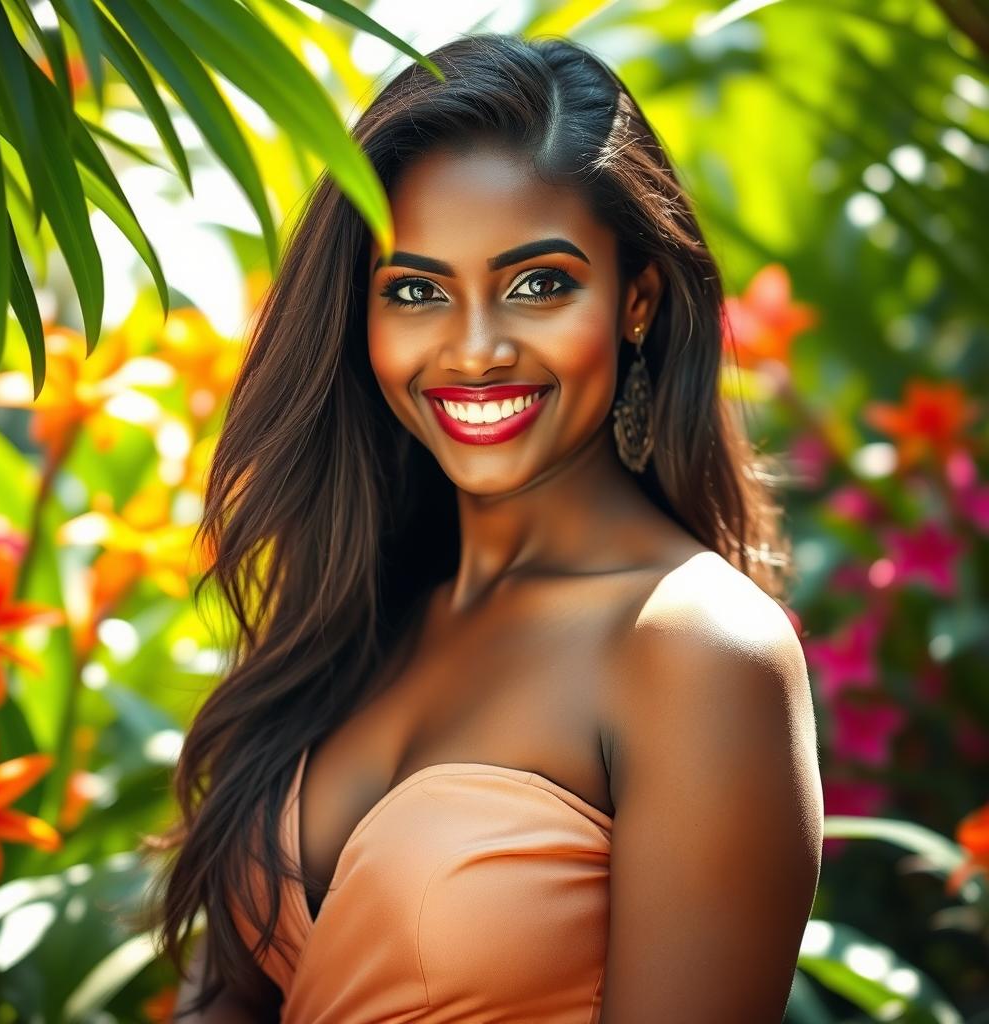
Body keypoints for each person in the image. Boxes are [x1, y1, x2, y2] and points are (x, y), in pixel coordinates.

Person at [143, 31, 824, 1024]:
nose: (474, 350)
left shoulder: (692, 650)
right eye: (416, 291)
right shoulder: (353, 609)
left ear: (634, 298)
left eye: (537, 284)